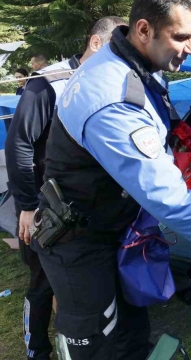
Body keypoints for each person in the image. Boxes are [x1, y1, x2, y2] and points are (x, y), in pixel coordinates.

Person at [32, 1, 191, 359]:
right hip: (81, 242)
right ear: (143, 30)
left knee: (132, 332)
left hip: (113, 228)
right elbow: (168, 198)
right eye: (182, 37)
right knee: (102, 345)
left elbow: (159, 134)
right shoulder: (112, 97)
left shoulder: (136, 66)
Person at [5, 16, 128, 360]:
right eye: (117, 49)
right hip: (44, 208)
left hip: (86, 211)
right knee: (43, 282)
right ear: (95, 43)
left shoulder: (106, 83)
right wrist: (27, 206)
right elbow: (19, 144)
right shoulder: (49, 83)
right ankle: (37, 348)